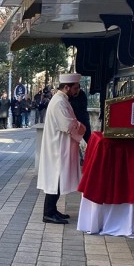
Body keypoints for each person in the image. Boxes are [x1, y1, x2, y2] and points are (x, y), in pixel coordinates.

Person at [37, 73, 85, 224]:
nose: (77, 91)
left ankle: (52, 210)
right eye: (75, 88)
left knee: (57, 178)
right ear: (67, 87)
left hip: (59, 146)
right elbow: (68, 125)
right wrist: (81, 128)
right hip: (57, 148)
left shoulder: (62, 99)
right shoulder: (59, 102)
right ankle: (48, 213)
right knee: (55, 180)